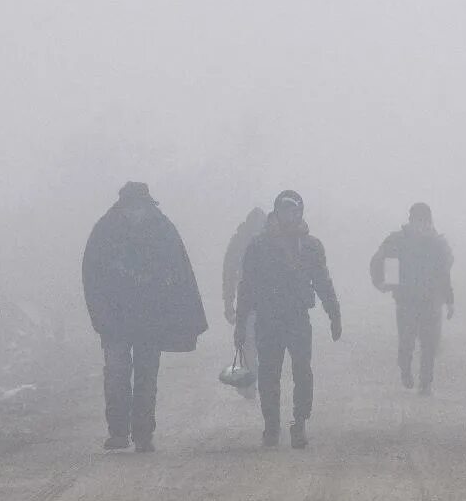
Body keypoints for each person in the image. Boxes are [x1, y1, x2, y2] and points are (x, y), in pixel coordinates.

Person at [81, 181, 208, 453]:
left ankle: (142, 434)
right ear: (123, 207)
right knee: (116, 374)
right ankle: (117, 432)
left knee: (146, 376)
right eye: (132, 206)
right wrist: (99, 315)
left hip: (151, 319)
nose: (136, 212)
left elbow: (179, 273)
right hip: (114, 321)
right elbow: (92, 276)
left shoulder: (162, 230)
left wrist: (175, 312)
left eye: (140, 206)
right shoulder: (106, 231)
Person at [234, 189, 342, 449]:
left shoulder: (311, 246)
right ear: (277, 212)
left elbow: (322, 282)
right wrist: (240, 324)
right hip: (268, 319)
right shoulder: (259, 246)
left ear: (300, 212)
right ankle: (271, 425)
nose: (289, 215)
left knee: (302, 371)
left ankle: (299, 423)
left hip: (297, 318)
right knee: (269, 373)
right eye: (285, 209)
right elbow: (246, 287)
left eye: (294, 210)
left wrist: (334, 313)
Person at [370, 202, 455, 394]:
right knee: (406, 341)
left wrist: (449, 300)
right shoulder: (398, 241)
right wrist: (383, 283)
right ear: (411, 221)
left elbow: (444, 274)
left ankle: (425, 383)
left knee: (429, 344)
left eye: (425, 221)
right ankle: (405, 370)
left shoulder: (437, 244)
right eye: (418, 221)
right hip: (406, 300)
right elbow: (381, 262)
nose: (422, 226)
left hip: (431, 301)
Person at [221, 206, 267, 394]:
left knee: (251, 343)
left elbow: (229, 273)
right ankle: (253, 383)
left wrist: (228, 302)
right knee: (252, 343)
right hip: (253, 301)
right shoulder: (266, 240)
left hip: (253, 301)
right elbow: (230, 273)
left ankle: (250, 383)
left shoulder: (240, 241)